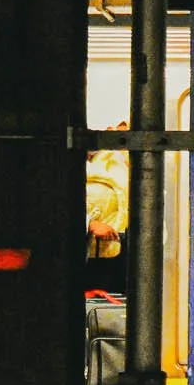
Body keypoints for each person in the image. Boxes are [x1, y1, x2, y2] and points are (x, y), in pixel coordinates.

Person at [84, 120, 129, 300]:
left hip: (122, 250)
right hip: (89, 254)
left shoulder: (118, 162)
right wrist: (89, 223)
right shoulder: (76, 164)